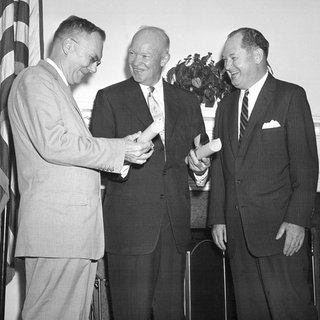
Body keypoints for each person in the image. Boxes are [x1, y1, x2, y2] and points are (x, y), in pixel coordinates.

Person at [8, 16, 153, 320]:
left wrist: (121, 149)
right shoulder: (36, 80)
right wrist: (119, 149)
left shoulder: (54, 86)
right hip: (58, 232)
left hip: (70, 234)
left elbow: (71, 154)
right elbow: (55, 143)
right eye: (92, 58)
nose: (93, 68)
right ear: (69, 45)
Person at [90, 26, 210, 320]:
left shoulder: (187, 102)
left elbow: (199, 152)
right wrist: (126, 157)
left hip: (173, 228)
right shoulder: (109, 98)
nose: (136, 60)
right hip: (130, 231)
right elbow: (96, 162)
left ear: (164, 58)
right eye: (132, 52)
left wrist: (200, 170)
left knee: (172, 314)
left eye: (145, 54)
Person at [208, 27, 319, 320]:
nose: (227, 67)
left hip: (281, 233)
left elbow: (306, 167)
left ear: (257, 55)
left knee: (291, 311)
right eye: (224, 60)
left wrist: (297, 220)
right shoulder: (226, 105)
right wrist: (218, 218)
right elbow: (220, 168)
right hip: (237, 234)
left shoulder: (290, 96)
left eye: (233, 58)